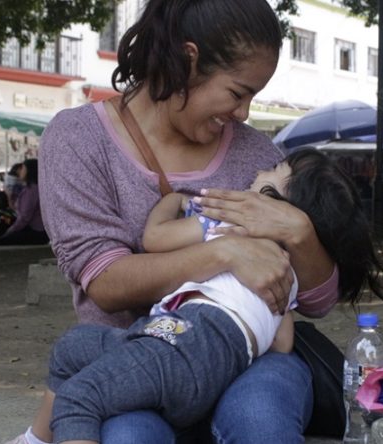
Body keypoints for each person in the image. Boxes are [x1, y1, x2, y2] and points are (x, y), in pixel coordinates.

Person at [36, 0, 346, 442]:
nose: (243, 113)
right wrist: (224, 252)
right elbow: (104, 282)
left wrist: (300, 232)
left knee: (261, 422)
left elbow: (317, 301)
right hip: (138, 355)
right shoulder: (78, 139)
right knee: (130, 437)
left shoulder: (257, 155)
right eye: (238, 93)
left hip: (247, 356)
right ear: (188, 60)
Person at [11, 148, 383, 444]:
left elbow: (155, 238)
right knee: (75, 347)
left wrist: (173, 202)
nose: (259, 169)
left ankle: (36, 439)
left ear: (267, 198)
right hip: (187, 349)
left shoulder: (223, 220)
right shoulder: (284, 274)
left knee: (80, 397)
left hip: (177, 343)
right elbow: (283, 342)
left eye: (271, 172)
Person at [0, 159, 48, 245]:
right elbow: (18, 210)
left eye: (23, 169)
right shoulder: (28, 189)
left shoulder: (32, 190)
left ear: (29, 171)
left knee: (1, 241)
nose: (20, 171)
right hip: (33, 229)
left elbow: (24, 218)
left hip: (35, 231)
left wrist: (11, 230)